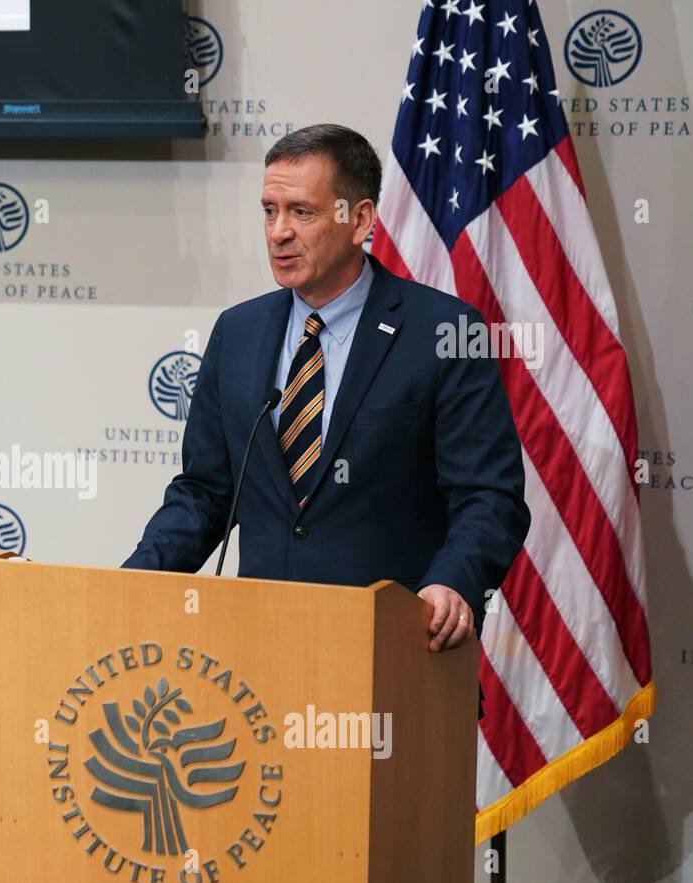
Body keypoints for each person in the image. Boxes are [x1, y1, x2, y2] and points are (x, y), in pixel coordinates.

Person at [123, 124, 529, 709]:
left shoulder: (445, 332)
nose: (279, 232)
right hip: (254, 675)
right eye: (269, 211)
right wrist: (136, 580)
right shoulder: (237, 333)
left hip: (394, 668)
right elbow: (205, 493)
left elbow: (490, 497)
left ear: (360, 220)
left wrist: (452, 582)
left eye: (302, 212)